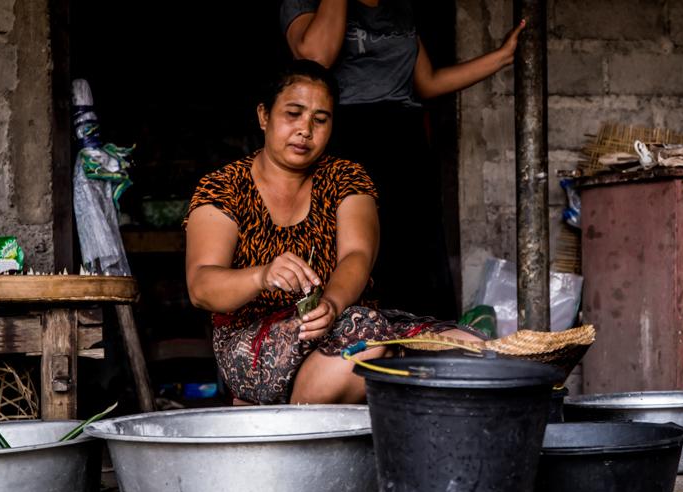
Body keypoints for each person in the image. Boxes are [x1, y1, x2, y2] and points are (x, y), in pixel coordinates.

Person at [184, 60, 482, 406]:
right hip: (252, 343)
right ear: (264, 116)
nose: (305, 130)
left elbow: (358, 255)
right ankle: (291, 421)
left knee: (471, 348)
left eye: (320, 119)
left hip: (342, 322)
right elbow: (201, 287)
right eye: (293, 114)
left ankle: (293, 407)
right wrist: (261, 276)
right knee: (367, 347)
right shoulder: (223, 187)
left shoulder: (346, 178)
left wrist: (330, 304)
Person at [280, 0, 525, 321]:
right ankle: (352, 342)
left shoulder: (399, 6)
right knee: (360, 256)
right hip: (346, 140)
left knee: (415, 260)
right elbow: (316, 58)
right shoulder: (305, 2)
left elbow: (426, 81)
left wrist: (501, 57)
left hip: (405, 144)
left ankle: (418, 346)